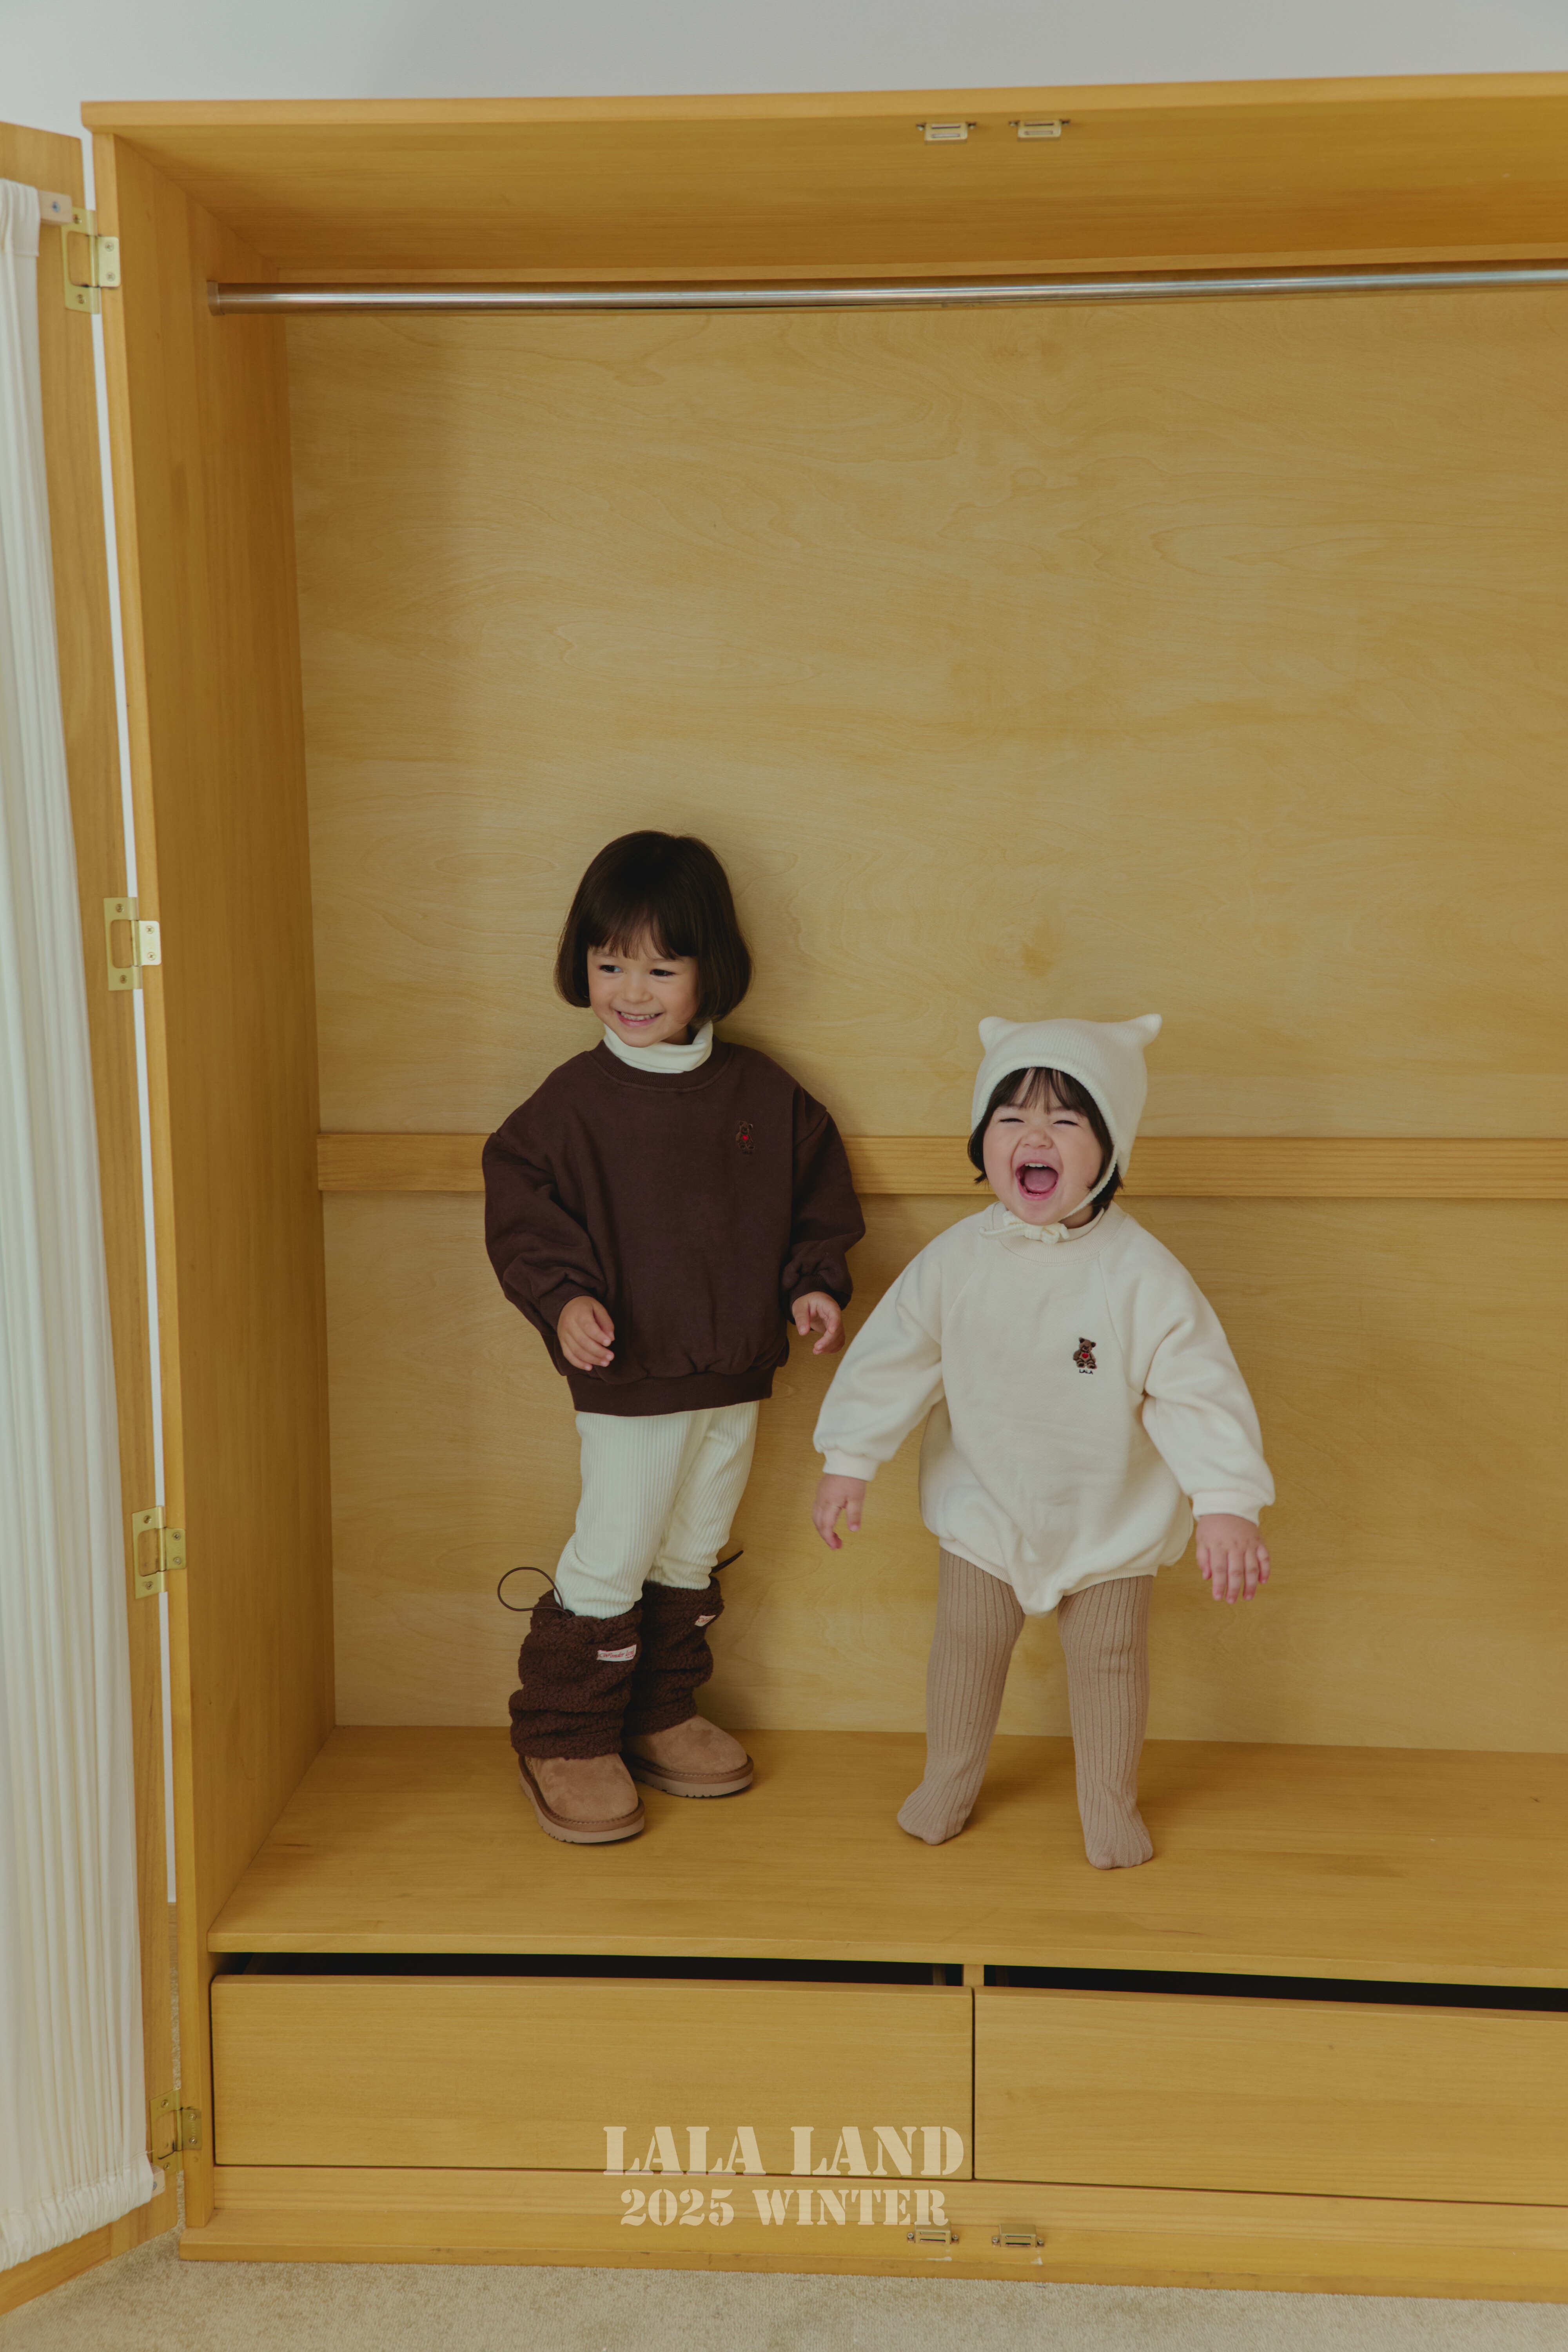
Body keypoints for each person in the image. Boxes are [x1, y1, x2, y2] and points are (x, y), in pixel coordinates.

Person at [811, 1014, 1272, 1869]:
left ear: (1109, 1149)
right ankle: (947, 1780)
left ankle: (1108, 1805)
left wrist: (1225, 1503)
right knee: (966, 1646)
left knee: (1109, 1660)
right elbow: (893, 1359)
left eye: (1064, 1120)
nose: (1033, 1136)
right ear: (982, 1142)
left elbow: (1197, 1391)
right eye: (1009, 1118)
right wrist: (850, 1460)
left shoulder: (1140, 1275)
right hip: (984, 1503)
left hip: (1108, 1514)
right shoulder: (957, 1261)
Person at [485, 831, 864, 1844]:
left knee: (692, 1546)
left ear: (710, 972)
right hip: (630, 1379)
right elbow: (517, 1203)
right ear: (582, 964)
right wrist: (563, 1300)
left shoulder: (765, 1098)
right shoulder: (570, 1107)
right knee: (615, 1548)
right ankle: (565, 1731)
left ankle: (656, 1710)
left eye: (660, 968)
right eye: (610, 964)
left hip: (735, 1372)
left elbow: (819, 1199)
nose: (632, 991)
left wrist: (814, 1284)